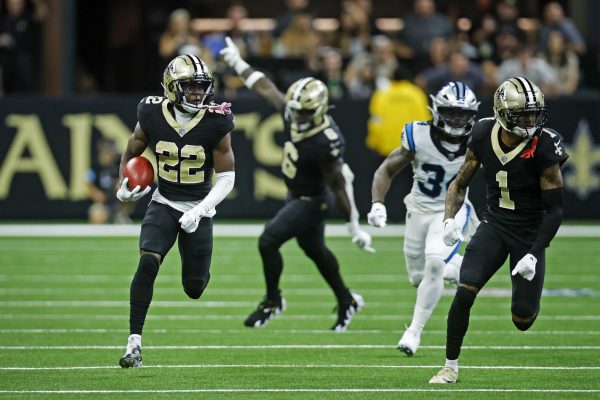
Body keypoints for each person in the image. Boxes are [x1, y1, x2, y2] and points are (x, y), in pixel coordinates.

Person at [220, 36, 374, 331]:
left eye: (304, 112)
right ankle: (346, 300)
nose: (297, 116)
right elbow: (265, 87)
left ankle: (273, 301)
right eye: (296, 110)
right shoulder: (293, 111)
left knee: (268, 241)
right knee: (315, 250)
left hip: (312, 200)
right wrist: (237, 61)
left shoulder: (325, 142)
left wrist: (354, 226)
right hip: (297, 194)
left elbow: (340, 187)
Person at [429, 77, 568, 384]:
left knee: (522, 318)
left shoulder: (544, 144)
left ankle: (527, 300)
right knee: (464, 292)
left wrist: (534, 253)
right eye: (524, 115)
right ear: (503, 113)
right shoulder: (482, 133)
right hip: (496, 224)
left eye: (535, 113)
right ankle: (450, 365)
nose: (532, 120)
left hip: (530, 232)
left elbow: (556, 210)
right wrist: (449, 219)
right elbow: (459, 183)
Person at [116, 54, 235, 368]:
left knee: (194, 288)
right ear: (171, 87)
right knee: (147, 263)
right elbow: (133, 148)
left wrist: (201, 210)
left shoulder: (216, 119)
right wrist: (123, 186)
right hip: (164, 203)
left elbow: (227, 177)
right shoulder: (151, 112)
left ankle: (195, 267)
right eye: (190, 87)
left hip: (200, 207)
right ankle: (134, 344)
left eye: (201, 87)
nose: (198, 94)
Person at [368, 82, 481, 356]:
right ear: (437, 110)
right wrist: (377, 204)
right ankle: (460, 268)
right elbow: (386, 170)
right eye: (451, 112)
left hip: (451, 211)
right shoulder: (417, 134)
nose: (456, 119)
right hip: (418, 210)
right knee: (419, 276)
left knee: (433, 265)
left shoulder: (479, 139)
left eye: (462, 114)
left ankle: (413, 332)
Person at [366, 66, 431, 158]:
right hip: (411, 147)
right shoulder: (416, 94)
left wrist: (373, 142)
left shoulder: (382, 95)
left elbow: (376, 121)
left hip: (387, 148)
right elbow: (424, 120)